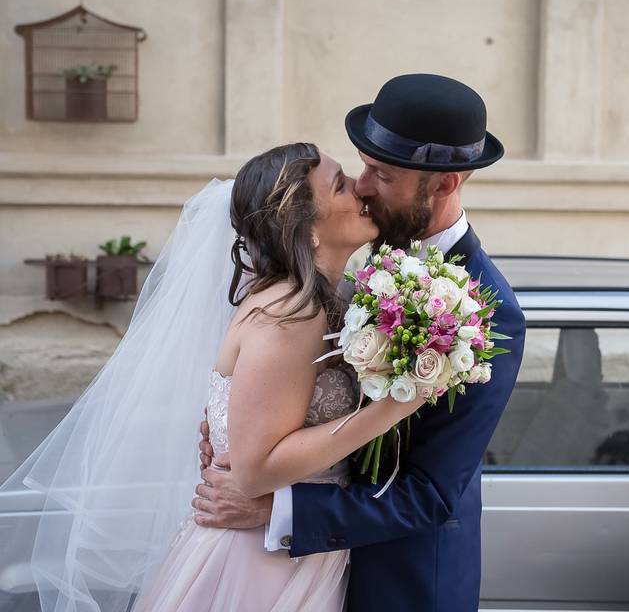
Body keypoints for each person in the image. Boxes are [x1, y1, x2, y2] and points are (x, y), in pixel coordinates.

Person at [0, 142, 424, 612]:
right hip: (259, 563)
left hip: (292, 547)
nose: (360, 192)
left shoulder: (323, 302)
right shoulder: (291, 313)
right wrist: (396, 406)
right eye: (340, 186)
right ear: (307, 229)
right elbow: (255, 469)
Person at [192, 74, 528, 612]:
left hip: (399, 583)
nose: (364, 186)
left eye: (383, 174)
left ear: (445, 184)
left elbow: (432, 493)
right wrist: (230, 430)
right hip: (300, 570)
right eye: (361, 167)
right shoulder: (356, 255)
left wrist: (280, 511)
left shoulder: (489, 312)